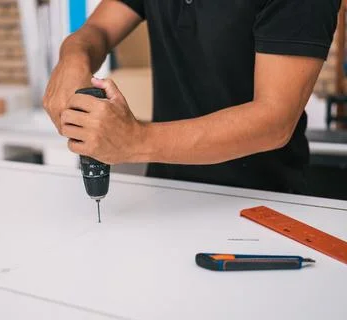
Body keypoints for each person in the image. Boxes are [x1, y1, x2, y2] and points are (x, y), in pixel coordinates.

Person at [43, 0, 341, 194]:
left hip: (261, 201)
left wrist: (135, 141)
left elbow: (275, 119)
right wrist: (73, 57)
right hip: (165, 189)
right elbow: (99, 29)